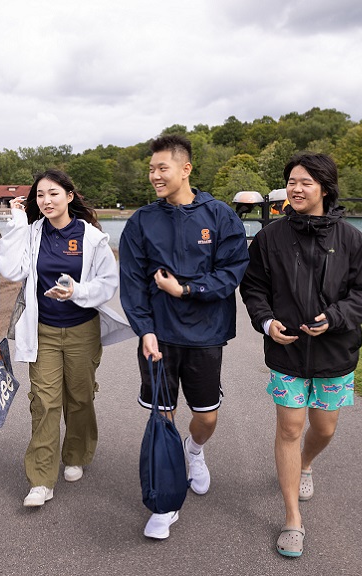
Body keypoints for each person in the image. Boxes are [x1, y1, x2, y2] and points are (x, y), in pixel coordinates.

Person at [239, 153, 362, 557]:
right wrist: (267, 322)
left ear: (324, 187)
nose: (296, 188)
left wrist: (336, 317)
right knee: (289, 428)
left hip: (335, 352)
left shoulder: (352, 239)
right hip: (286, 354)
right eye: (291, 181)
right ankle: (292, 519)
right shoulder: (270, 237)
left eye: (305, 182)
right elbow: (253, 288)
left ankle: (305, 463)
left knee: (324, 429)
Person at [119, 134, 250, 540]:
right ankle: (165, 503)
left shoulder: (220, 215)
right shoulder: (142, 221)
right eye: (152, 169)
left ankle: (195, 453)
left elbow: (232, 271)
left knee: (206, 416)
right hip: (159, 337)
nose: (155, 175)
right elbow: (133, 283)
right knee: (163, 416)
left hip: (206, 333)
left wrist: (187, 290)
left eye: (163, 168)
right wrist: (145, 330)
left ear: (186, 168)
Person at [0, 169, 134, 508]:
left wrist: (77, 290)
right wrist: (16, 220)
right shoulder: (30, 233)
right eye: (40, 195)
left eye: (53, 193)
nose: (46, 200)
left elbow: (107, 282)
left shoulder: (90, 237)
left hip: (82, 329)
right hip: (41, 329)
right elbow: (11, 271)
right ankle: (41, 479)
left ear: (69, 196)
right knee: (44, 401)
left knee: (80, 396)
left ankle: (75, 454)